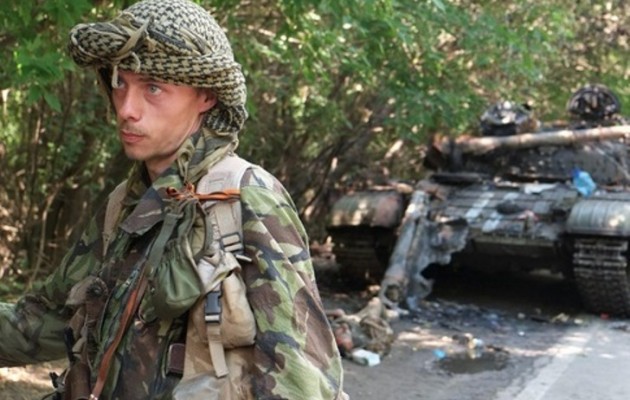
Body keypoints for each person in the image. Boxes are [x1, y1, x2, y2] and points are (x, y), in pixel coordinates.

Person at [0, 0, 346, 399]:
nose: (127, 109)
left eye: (153, 88)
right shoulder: (124, 206)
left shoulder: (246, 199)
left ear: (206, 96)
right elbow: (44, 319)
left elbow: (300, 382)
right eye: (120, 83)